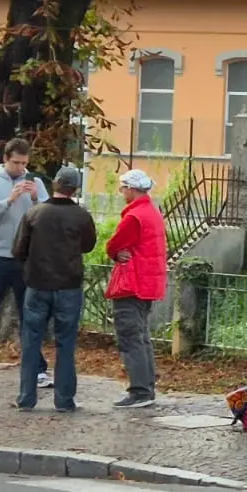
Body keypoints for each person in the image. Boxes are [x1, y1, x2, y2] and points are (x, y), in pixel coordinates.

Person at [11, 167, 96, 411]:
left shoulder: (34, 213)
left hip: (37, 285)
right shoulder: (82, 216)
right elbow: (88, 246)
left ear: (55, 184)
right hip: (69, 286)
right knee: (66, 343)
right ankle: (64, 400)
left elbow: (18, 251)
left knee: (30, 341)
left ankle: (26, 398)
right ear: (75, 189)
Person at [0, 137, 49, 382]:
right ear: (5, 160)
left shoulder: (35, 183)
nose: (21, 169)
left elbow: (48, 216)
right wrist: (8, 201)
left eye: (25, 164)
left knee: (29, 316)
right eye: (17, 163)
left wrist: (35, 199)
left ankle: (36, 369)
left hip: (24, 258)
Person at [104, 169, 168, 409]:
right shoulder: (152, 212)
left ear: (131, 188)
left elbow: (114, 244)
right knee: (142, 337)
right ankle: (147, 388)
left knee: (131, 338)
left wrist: (113, 253)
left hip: (132, 283)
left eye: (122, 189)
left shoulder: (134, 217)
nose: (121, 193)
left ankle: (139, 391)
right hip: (147, 283)